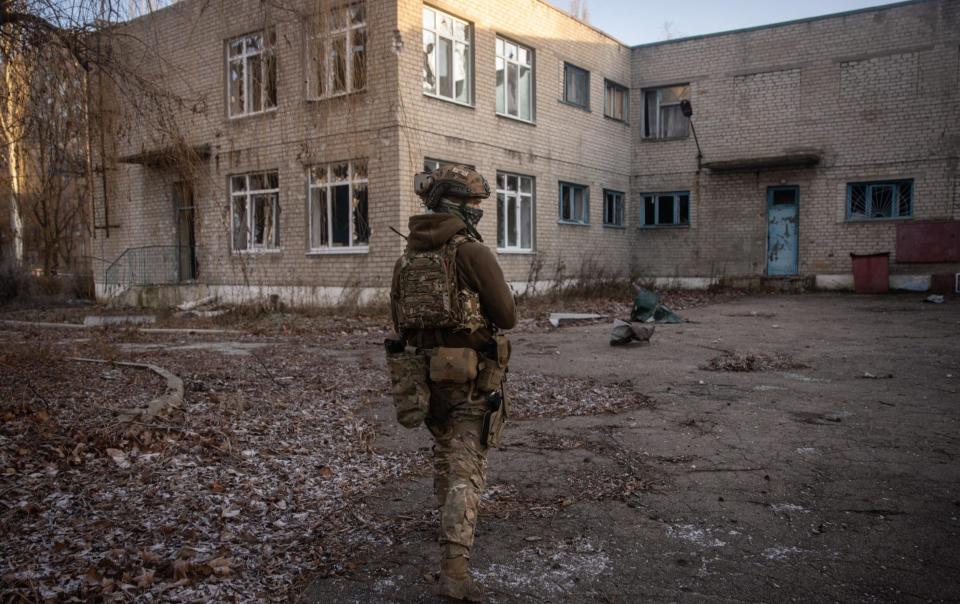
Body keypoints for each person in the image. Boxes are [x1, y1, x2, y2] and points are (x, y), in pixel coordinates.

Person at [389, 165, 517, 601]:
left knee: (445, 453)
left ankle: (444, 529)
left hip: (425, 381)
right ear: (453, 204)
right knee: (467, 469)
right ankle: (455, 573)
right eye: (473, 204)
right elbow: (507, 317)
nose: (478, 211)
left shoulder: (406, 259)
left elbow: (398, 322)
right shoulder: (472, 254)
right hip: (469, 379)